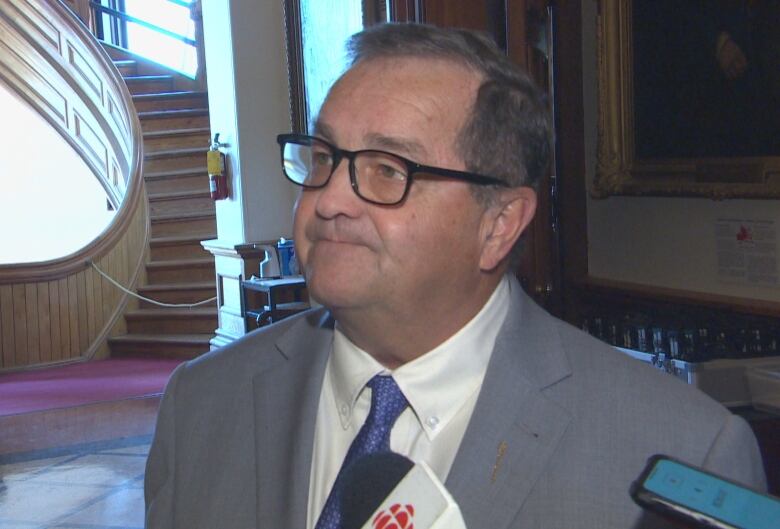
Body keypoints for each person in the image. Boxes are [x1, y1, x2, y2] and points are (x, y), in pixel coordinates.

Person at [144, 23, 766, 529]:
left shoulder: (684, 450)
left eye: (388, 169)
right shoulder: (202, 403)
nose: (329, 199)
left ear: (499, 223)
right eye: (326, 157)